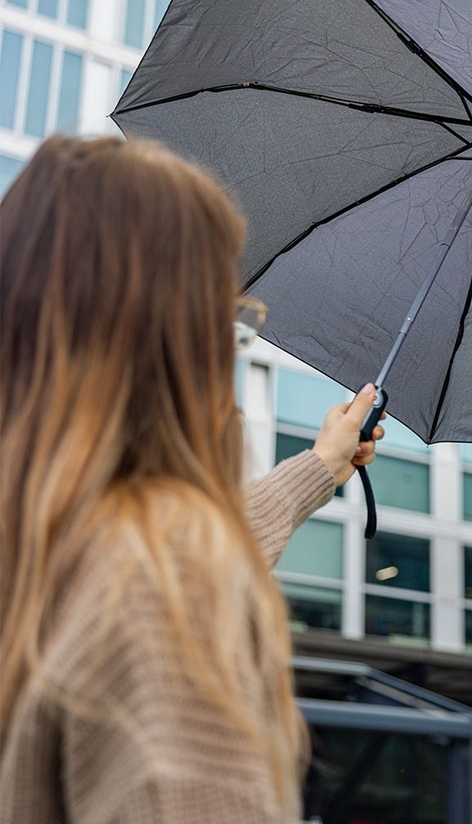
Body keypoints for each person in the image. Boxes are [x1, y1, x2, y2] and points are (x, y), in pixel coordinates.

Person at [0, 134, 385, 823]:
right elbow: (156, 565)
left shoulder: (34, 540)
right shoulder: (165, 570)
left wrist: (321, 465)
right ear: (177, 333)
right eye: (228, 313)